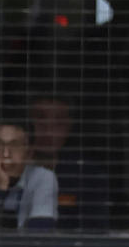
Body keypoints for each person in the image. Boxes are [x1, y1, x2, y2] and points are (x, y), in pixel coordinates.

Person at [28, 96, 110, 232]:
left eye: (58, 122)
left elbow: (94, 231)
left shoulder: (87, 176)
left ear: (69, 127)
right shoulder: (9, 168)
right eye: (40, 119)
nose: (48, 130)